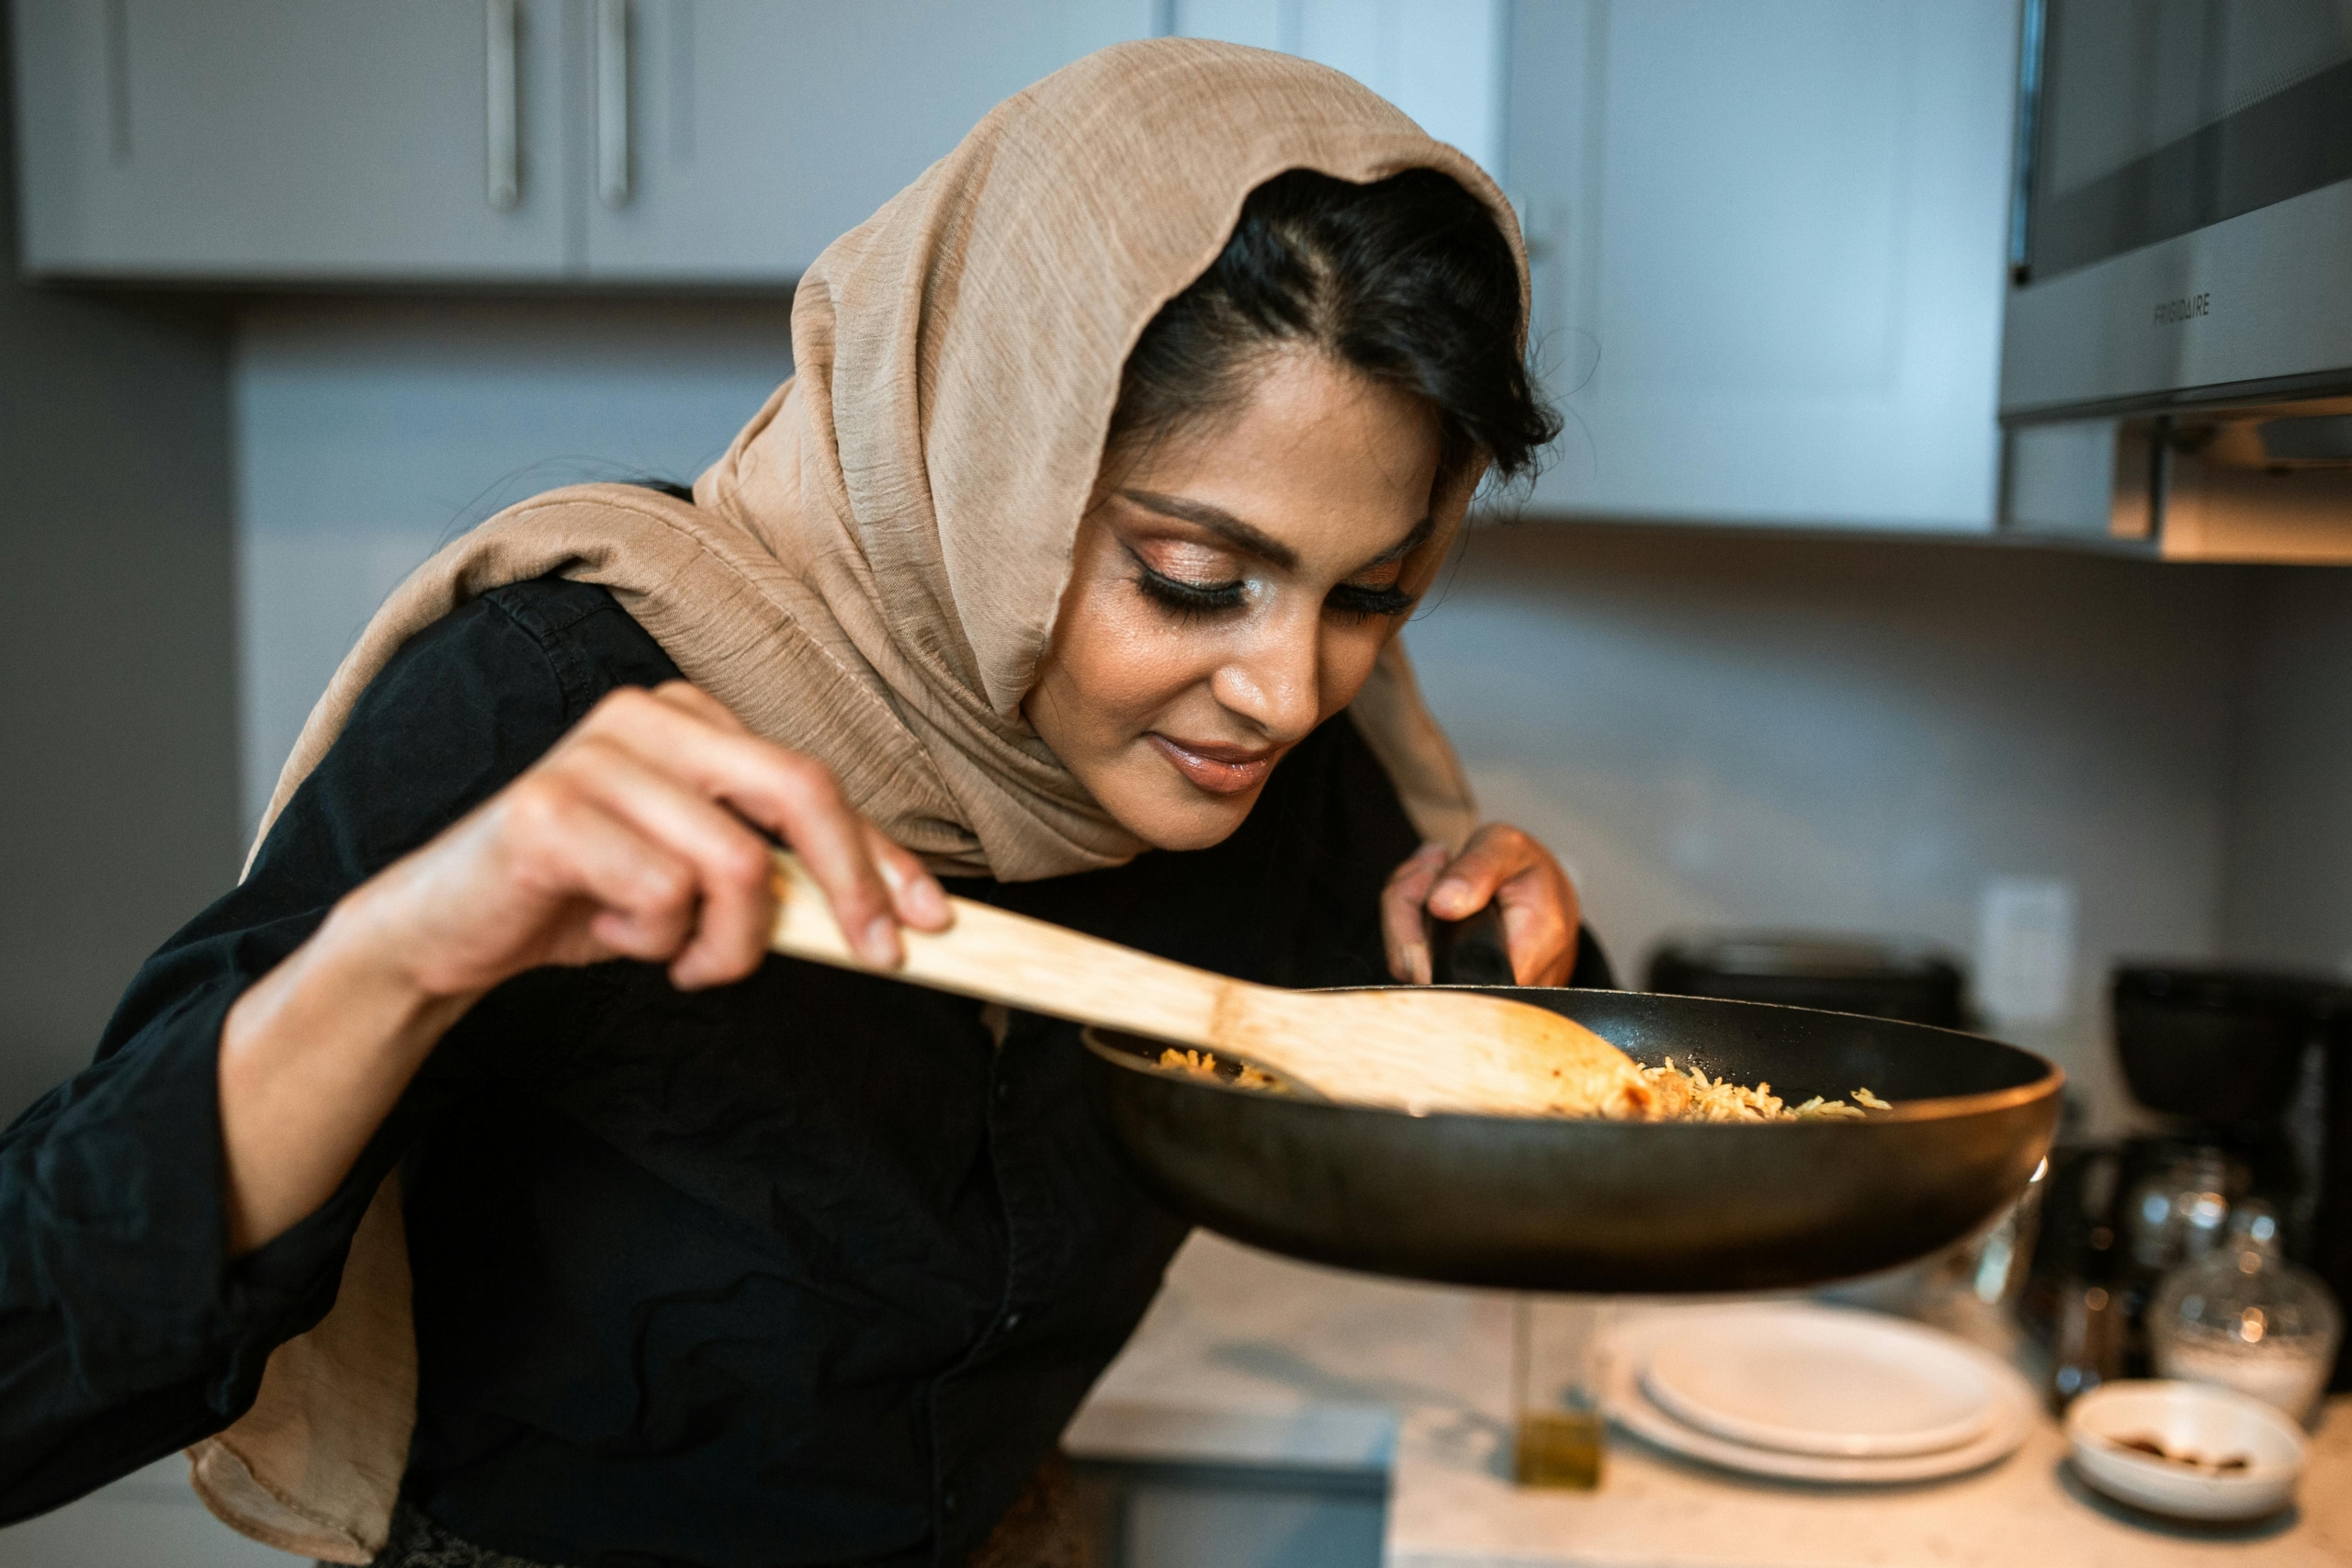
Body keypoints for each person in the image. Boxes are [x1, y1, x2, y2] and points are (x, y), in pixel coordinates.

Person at [0, 38, 1595, 1568]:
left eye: (1373, 594)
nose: (1289, 690)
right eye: (1193, 580)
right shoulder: (563, 705)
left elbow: (1529, 1148)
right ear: (993, 466)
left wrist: (1490, 962)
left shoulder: (1276, 772)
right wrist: (403, 954)